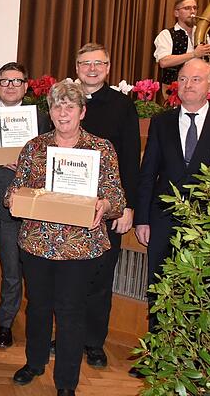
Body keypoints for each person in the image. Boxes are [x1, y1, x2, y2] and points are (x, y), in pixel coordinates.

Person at [6, 80, 125, 396]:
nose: (63, 112)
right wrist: (16, 196)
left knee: (71, 315)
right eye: (57, 106)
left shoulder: (101, 149)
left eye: (70, 106)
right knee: (38, 308)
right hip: (37, 243)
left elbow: (116, 196)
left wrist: (106, 205)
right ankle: (34, 363)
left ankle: (67, 383)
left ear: (82, 112)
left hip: (80, 249)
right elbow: (12, 191)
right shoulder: (34, 147)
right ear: (50, 111)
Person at [133, 59, 210, 369]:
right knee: (159, 288)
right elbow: (148, 173)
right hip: (163, 218)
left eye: (196, 79)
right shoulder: (161, 121)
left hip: (209, 224)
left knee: (203, 292)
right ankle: (157, 356)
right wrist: (142, 218)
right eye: (182, 79)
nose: (188, 85)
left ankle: (192, 359)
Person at [0, 62, 51, 348]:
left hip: (18, 209)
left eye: (17, 81)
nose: (11, 86)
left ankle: (5, 324)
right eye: (5, 81)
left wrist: (26, 165)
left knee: (12, 272)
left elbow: (46, 164)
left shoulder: (40, 119)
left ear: (26, 86)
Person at [76, 43, 140, 368]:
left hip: (110, 207)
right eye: (85, 63)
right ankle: (69, 336)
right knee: (70, 277)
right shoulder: (67, 101)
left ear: (108, 67)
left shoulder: (122, 105)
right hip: (70, 206)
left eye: (97, 63)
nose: (91, 69)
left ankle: (94, 342)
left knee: (101, 278)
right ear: (76, 67)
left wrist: (128, 207)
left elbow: (131, 158)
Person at [154, 0, 210, 93]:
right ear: (176, 13)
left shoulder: (204, 34)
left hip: (202, 87)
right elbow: (164, 62)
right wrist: (194, 54)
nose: (192, 11)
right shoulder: (166, 34)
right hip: (175, 87)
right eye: (187, 8)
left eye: (195, 8)